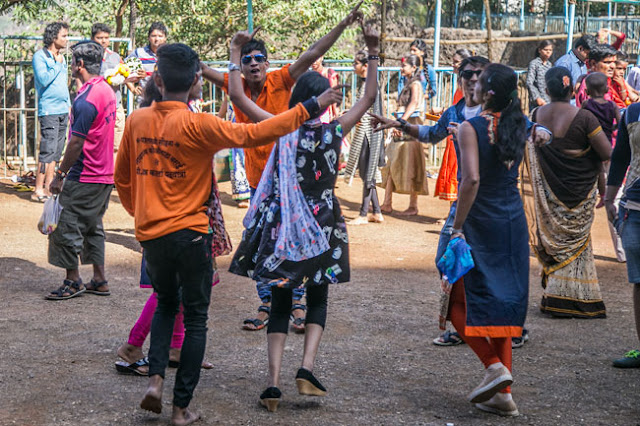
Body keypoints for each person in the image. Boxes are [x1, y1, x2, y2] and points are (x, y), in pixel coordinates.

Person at [114, 42, 341, 425]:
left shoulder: (137, 121)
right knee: (197, 319)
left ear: (157, 79)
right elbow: (258, 133)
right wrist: (311, 108)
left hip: (151, 235)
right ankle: (181, 408)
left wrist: (141, 212)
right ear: (194, 83)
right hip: (191, 234)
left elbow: (122, 177)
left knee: (167, 305)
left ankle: (154, 381)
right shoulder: (200, 125)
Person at [228, 22, 379, 412]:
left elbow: (240, 101)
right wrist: (374, 51)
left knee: (279, 303)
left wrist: (233, 57)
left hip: (283, 228)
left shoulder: (281, 131)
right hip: (324, 225)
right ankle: (307, 367)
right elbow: (369, 97)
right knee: (317, 299)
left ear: (297, 99)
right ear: (325, 102)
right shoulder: (334, 132)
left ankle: (273, 383)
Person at [201, 2, 363, 332]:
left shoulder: (282, 79)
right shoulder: (238, 87)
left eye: (259, 58)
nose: (254, 64)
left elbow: (313, 51)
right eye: (246, 60)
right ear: (240, 67)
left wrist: (344, 23)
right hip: (259, 181)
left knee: (295, 240)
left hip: (291, 178)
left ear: (268, 63)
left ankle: (298, 304)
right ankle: (268, 303)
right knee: (262, 245)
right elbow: (201, 67)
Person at [115, 75, 219, 376]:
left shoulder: (154, 120)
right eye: (196, 77)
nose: (199, 81)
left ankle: (174, 348)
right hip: (180, 223)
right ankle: (134, 346)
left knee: (177, 290)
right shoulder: (166, 123)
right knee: (169, 292)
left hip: (168, 221)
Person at [442, 63, 530, 416]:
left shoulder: (471, 127)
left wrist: (456, 226)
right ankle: (504, 395)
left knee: (455, 303)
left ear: (489, 92)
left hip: (480, 220)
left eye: (479, 80)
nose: (473, 83)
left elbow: (472, 180)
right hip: (511, 221)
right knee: (503, 304)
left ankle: (493, 366)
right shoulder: (520, 125)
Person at [526, 67, 611, 318]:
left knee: (557, 241)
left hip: (548, 194)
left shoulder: (534, 114)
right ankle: (577, 300)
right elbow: (606, 154)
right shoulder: (585, 118)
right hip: (580, 191)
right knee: (578, 245)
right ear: (573, 89)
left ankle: (555, 295)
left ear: (547, 90)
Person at [44, 41, 117, 300]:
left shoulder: (85, 99)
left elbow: (76, 142)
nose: (71, 65)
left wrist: (60, 176)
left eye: (73, 61)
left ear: (80, 65)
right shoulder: (106, 90)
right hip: (105, 175)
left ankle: (73, 281)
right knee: (92, 225)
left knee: (64, 224)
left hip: (85, 174)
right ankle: (99, 278)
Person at [605, 102, 640, 368]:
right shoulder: (633, 112)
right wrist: (609, 198)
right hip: (636, 206)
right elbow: (620, 157)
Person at [380, 55, 427, 216]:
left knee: (412, 165)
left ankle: (412, 205)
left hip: (410, 129)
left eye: (404, 66)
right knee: (391, 161)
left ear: (413, 68)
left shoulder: (416, 84)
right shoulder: (408, 83)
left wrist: (401, 122)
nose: (401, 69)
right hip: (404, 126)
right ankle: (387, 202)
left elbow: (414, 104)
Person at [31, 22, 71, 203]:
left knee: (56, 151)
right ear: (53, 37)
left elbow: (63, 85)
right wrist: (56, 64)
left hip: (63, 110)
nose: (66, 39)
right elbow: (43, 79)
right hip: (49, 111)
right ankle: (38, 189)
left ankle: (49, 188)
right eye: (63, 36)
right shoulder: (41, 56)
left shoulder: (61, 58)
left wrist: (69, 105)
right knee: (47, 150)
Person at [344, 49, 385, 225]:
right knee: (366, 173)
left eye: (356, 63)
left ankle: (363, 214)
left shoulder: (371, 85)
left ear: (366, 65)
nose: (354, 66)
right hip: (365, 133)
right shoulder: (366, 84)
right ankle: (376, 211)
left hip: (370, 134)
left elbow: (371, 112)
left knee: (368, 174)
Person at [90, 23, 127, 154]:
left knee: (117, 145)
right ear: (92, 38)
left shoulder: (115, 57)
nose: (104, 41)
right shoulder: (88, 57)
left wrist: (131, 80)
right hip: (97, 107)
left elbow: (125, 75)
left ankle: (114, 174)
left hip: (115, 106)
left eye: (106, 37)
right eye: (100, 37)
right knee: (98, 144)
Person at [126, 21, 167, 105]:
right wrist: (133, 88)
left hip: (166, 100)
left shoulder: (171, 54)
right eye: (153, 36)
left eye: (160, 36)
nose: (157, 39)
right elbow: (123, 69)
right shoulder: (139, 53)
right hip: (145, 100)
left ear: (165, 38)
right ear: (148, 38)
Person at [575, 44, 623, 108]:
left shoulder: (603, 80)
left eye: (614, 62)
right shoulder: (592, 84)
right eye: (607, 62)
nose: (613, 66)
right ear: (593, 63)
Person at [310, 55, 340, 123]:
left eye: (316, 59)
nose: (314, 62)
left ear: (322, 58)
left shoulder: (329, 73)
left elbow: (334, 95)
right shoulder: (308, 75)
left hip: (325, 114)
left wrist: (336, 114)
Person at [526, 40, 554, 111]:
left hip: (548, 102)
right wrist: (537, 98)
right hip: (537, 103)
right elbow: (529, 83)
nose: (548, 52)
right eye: (545, 50)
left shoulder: (549, 65)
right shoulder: (534, 64)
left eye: (550, 50)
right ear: (539, 50)